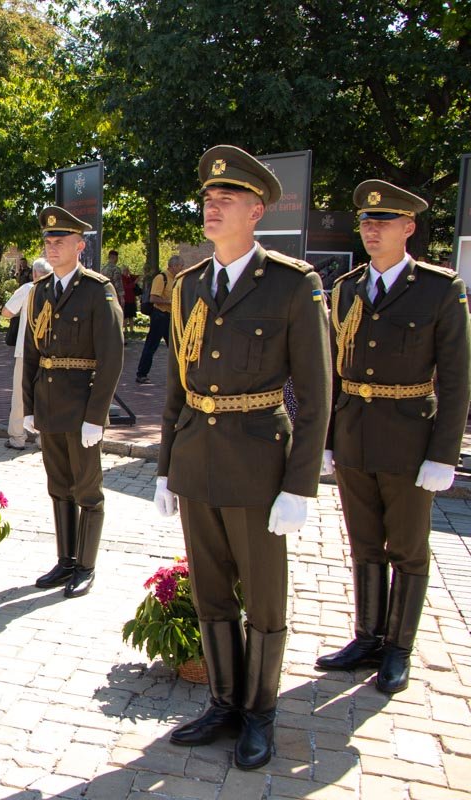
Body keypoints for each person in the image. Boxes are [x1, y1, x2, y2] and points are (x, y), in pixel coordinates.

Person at [154, 145, 331, 770]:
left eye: (226, 199)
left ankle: (260, 712)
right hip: (198, 457)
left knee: (264, 599)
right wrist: (165, 466)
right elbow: (178, 383)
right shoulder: (189, 284)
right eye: (208, 198)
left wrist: (300, 485)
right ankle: (224, 702)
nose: (212, 205)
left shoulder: (292, 284)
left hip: (260, 463)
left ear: (257, 211)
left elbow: (316, 395)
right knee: (210, 594)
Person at [316, 180, 470, 695]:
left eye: (383, 222)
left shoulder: (439, 288)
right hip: (357, 434)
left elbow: (456, 378)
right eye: (365, 221)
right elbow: (335, 372)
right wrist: (333, 437)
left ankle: (398, 648)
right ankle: (368, 637)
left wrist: (443, 454)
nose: (372, 229)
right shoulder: (347, 288)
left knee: (406, 548)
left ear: (409, 228)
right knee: (364, 544)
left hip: (410, 440)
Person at [22, 208, 124, 599]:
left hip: (82, 408)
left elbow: (111, 357)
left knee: (87, 490)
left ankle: (85, 565)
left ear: (80, 246)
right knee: (58, 486)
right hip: (49, 406)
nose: (52, 248)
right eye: (48, 242)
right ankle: (65, 561)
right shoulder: (41, 291)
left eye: (60, 242)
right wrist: (29, 406)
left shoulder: (98, 290)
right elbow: (33, 354)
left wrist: (96, 416)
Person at [2, 257, 50, 449]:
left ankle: (17, 437)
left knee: (21, 395)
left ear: (34, 273)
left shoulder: (28, 289)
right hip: (49, 351)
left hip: (26, 350)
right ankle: (43, 438)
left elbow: (6, 312)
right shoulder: (59, 289)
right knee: (46, 395)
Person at [135, 256, 183, 384]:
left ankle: (179, 375)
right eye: (180, 266)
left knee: (175, 346)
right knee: (151, 345)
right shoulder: (161, 278)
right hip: (159, 315)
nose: (182, 268)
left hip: (169, 316)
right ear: (173, 266)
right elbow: (153, 298)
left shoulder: (176, 279)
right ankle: (141, 374)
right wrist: (170, 302)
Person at [121, 265, 139, 334]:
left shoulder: (130, 277)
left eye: (127, 270)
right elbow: (126, 287)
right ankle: (125, 329)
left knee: (131, 315)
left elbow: (137, 276)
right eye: (125, 270)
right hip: (125, 299)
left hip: (132, 299)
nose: (126, 272)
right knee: (125, 315)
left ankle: (132, 329)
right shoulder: (122, 278)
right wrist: (134, 283)